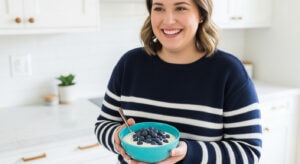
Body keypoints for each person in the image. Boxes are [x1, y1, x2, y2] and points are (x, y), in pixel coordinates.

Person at [95, 0, 262, 163]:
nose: (168, 20)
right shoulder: (130, 64)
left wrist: (189, 153)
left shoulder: (229, 71)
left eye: (181, 8)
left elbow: (248, 152)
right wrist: (117, 137)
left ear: (201, 14)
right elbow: (104, 124)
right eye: (159, 8)